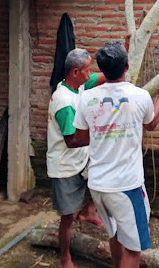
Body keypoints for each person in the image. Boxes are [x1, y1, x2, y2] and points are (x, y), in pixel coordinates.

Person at [70, 41, 159, 268]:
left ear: (101, 69)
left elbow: (79, 138)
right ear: (126, 67)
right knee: (133, 249)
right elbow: (152, 123)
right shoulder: (140, 96)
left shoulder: (87, 98)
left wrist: (103, 134)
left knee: (115, 234)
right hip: (127, 187)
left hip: (98, 185)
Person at [46, 48, 107, 268]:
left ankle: (88, 211)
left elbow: (103, 76)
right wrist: (101, 134)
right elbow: (71, 141)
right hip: (66, 165)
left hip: (82, 157)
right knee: (68, 217)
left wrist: (123, 56)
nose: (90, 73)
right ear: (75, 71)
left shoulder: (79, 85)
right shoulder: (64, 102)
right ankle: (65, 257)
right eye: (87, 70)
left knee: (105, 173)